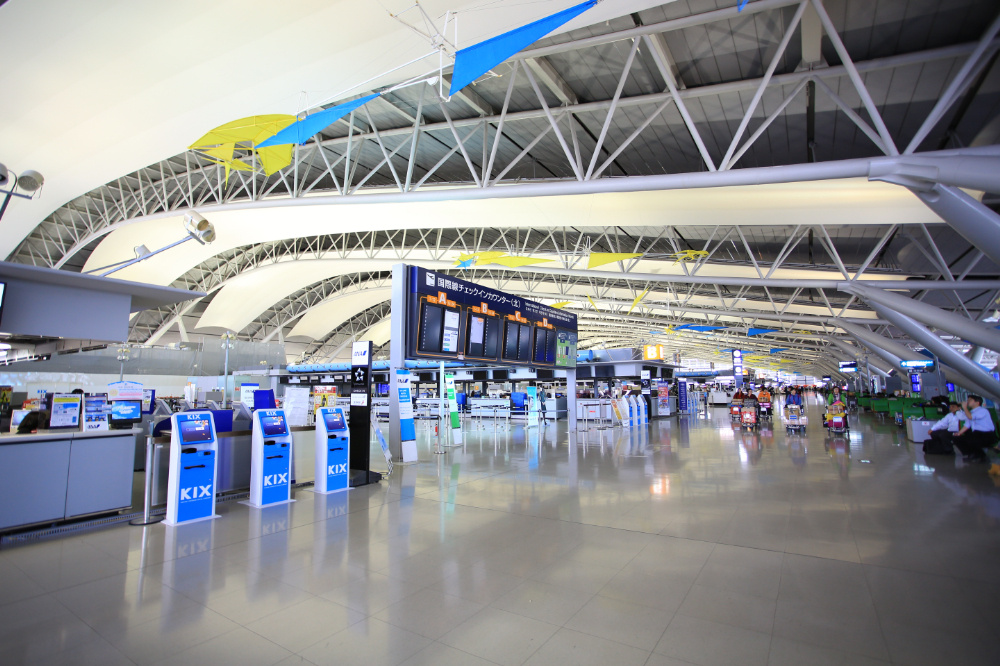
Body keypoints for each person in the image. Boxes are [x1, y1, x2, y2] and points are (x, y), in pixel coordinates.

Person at [953, 395, 996, 463]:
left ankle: (979, 455)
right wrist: (959, 433)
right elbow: (967, 425)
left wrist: (965, 408)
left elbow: (971, 417)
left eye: (970, 400)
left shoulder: (983, 410)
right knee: (957, 438)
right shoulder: (971, 412)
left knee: (972, 438)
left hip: (987, 435)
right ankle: (972, 454)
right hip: (977, 434)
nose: (968, 401)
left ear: (977, 402)